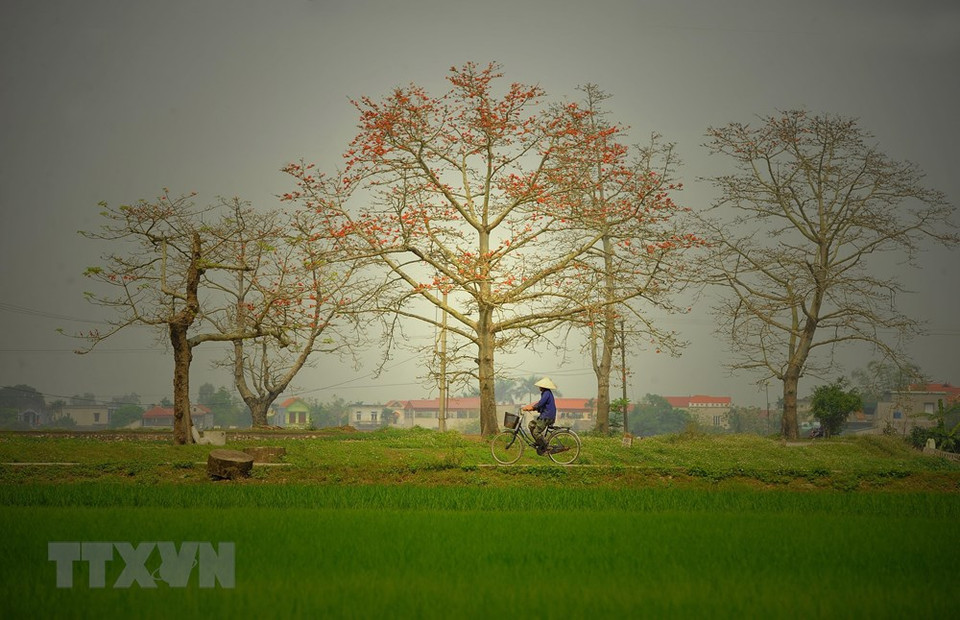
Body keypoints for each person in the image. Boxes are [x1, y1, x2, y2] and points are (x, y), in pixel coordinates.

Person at [522, 377, 557, 455]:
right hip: (545, 416)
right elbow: (541, 405)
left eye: (540, 386)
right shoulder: (546, 393)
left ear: (543, 386)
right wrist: (532, 408)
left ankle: (546, 445)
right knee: (531, 425)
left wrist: (532, 407)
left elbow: (541, 403)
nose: (539, 387)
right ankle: (539, 442)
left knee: (536, 432)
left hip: (547, 417)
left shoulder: (546, 393)